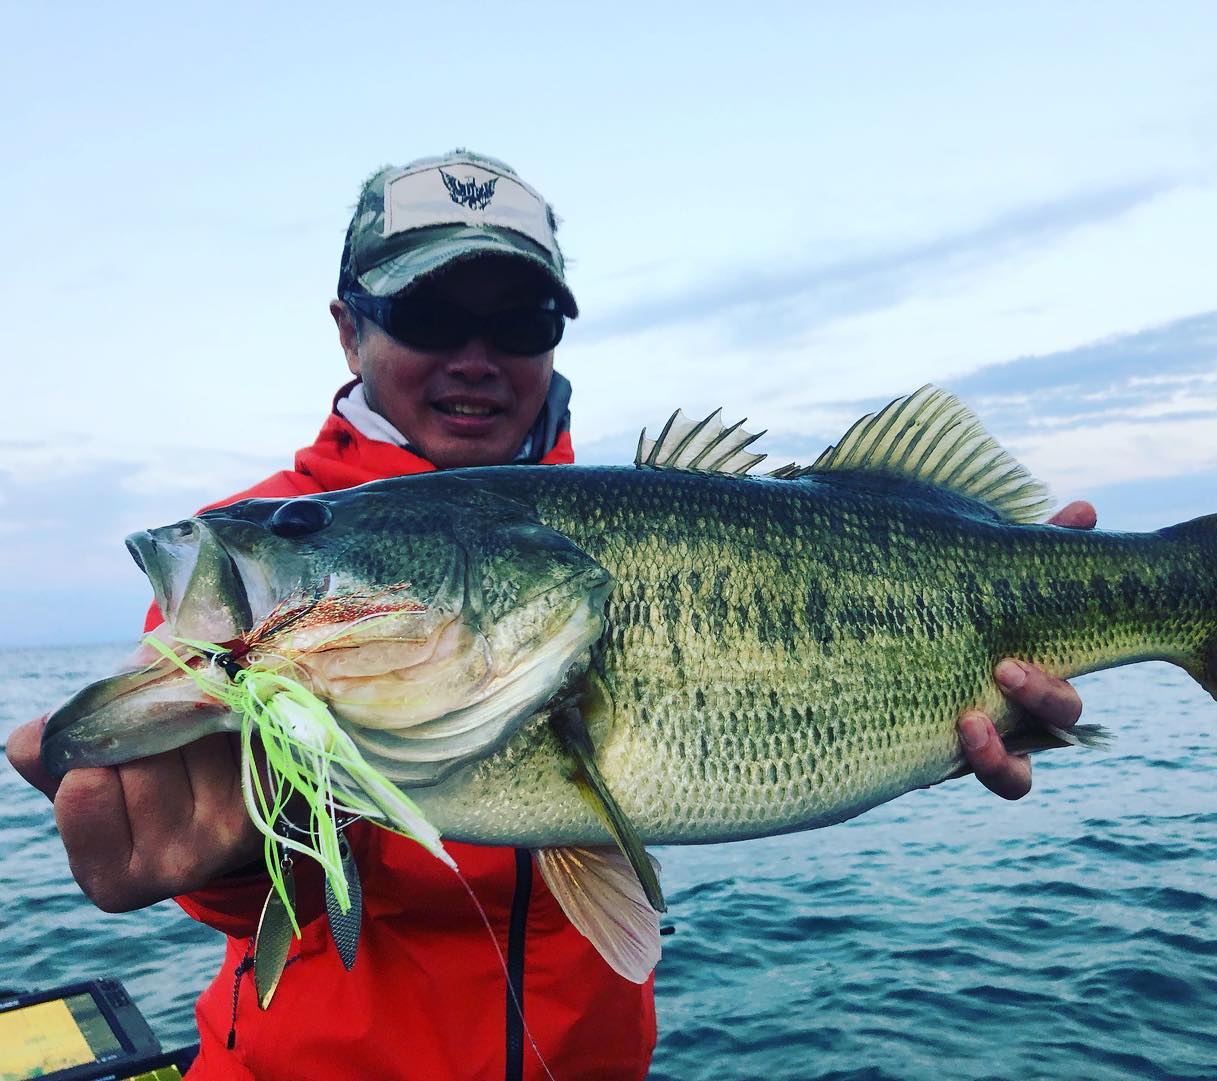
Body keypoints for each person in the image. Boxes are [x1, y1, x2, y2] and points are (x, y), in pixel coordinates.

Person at [6, 150, 1094, 1080]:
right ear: (348, 330)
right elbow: (219, 883)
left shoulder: (637, 518)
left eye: (519, 321)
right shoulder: (261, 555)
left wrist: (942, 726)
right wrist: (230, 861)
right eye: (429, 315)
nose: (475, 358)